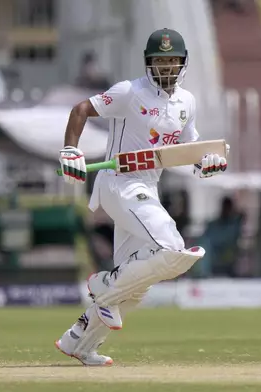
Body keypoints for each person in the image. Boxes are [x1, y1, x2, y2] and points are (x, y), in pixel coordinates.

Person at [56, 28, 229, 366]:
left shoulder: (186, 102)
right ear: (149, 63)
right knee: (170, 247)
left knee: (138, 287)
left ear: (182, 64)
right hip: (118, 183)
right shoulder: (130, 92)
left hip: (145, 188)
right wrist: (70, 151)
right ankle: (104, 284)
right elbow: (80, 109)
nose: (166, 67)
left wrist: (204, 165)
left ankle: (78, 341)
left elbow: (187, 151)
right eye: (159, 61)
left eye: (172, 61)